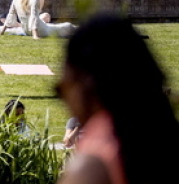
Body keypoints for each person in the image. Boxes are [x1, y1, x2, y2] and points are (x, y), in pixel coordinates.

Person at [56, 15, 179, 184]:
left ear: (87, 84)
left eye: (61, 91)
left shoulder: (95, 160)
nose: (66, 103)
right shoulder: (160, 134)